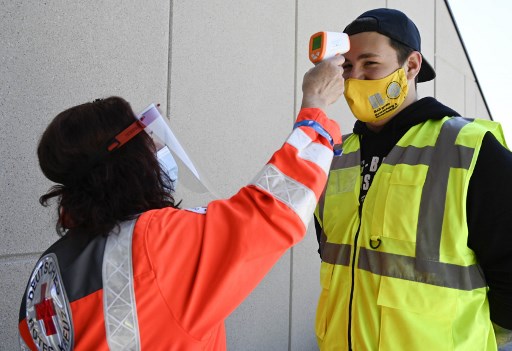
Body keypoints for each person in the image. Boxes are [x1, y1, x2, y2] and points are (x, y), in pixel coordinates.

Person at [17, 55, 345, 351]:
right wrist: (315, 109)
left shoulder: (48, 272)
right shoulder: (154, 242)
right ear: (125, 162)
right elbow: (273, 209)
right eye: (146, 135)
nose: (157, 144)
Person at [313, 8, 512, 351]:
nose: (356, 77)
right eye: (347, 67)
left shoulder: (470, 148)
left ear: (411, 66)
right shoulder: (333, 156)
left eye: (370, 64)